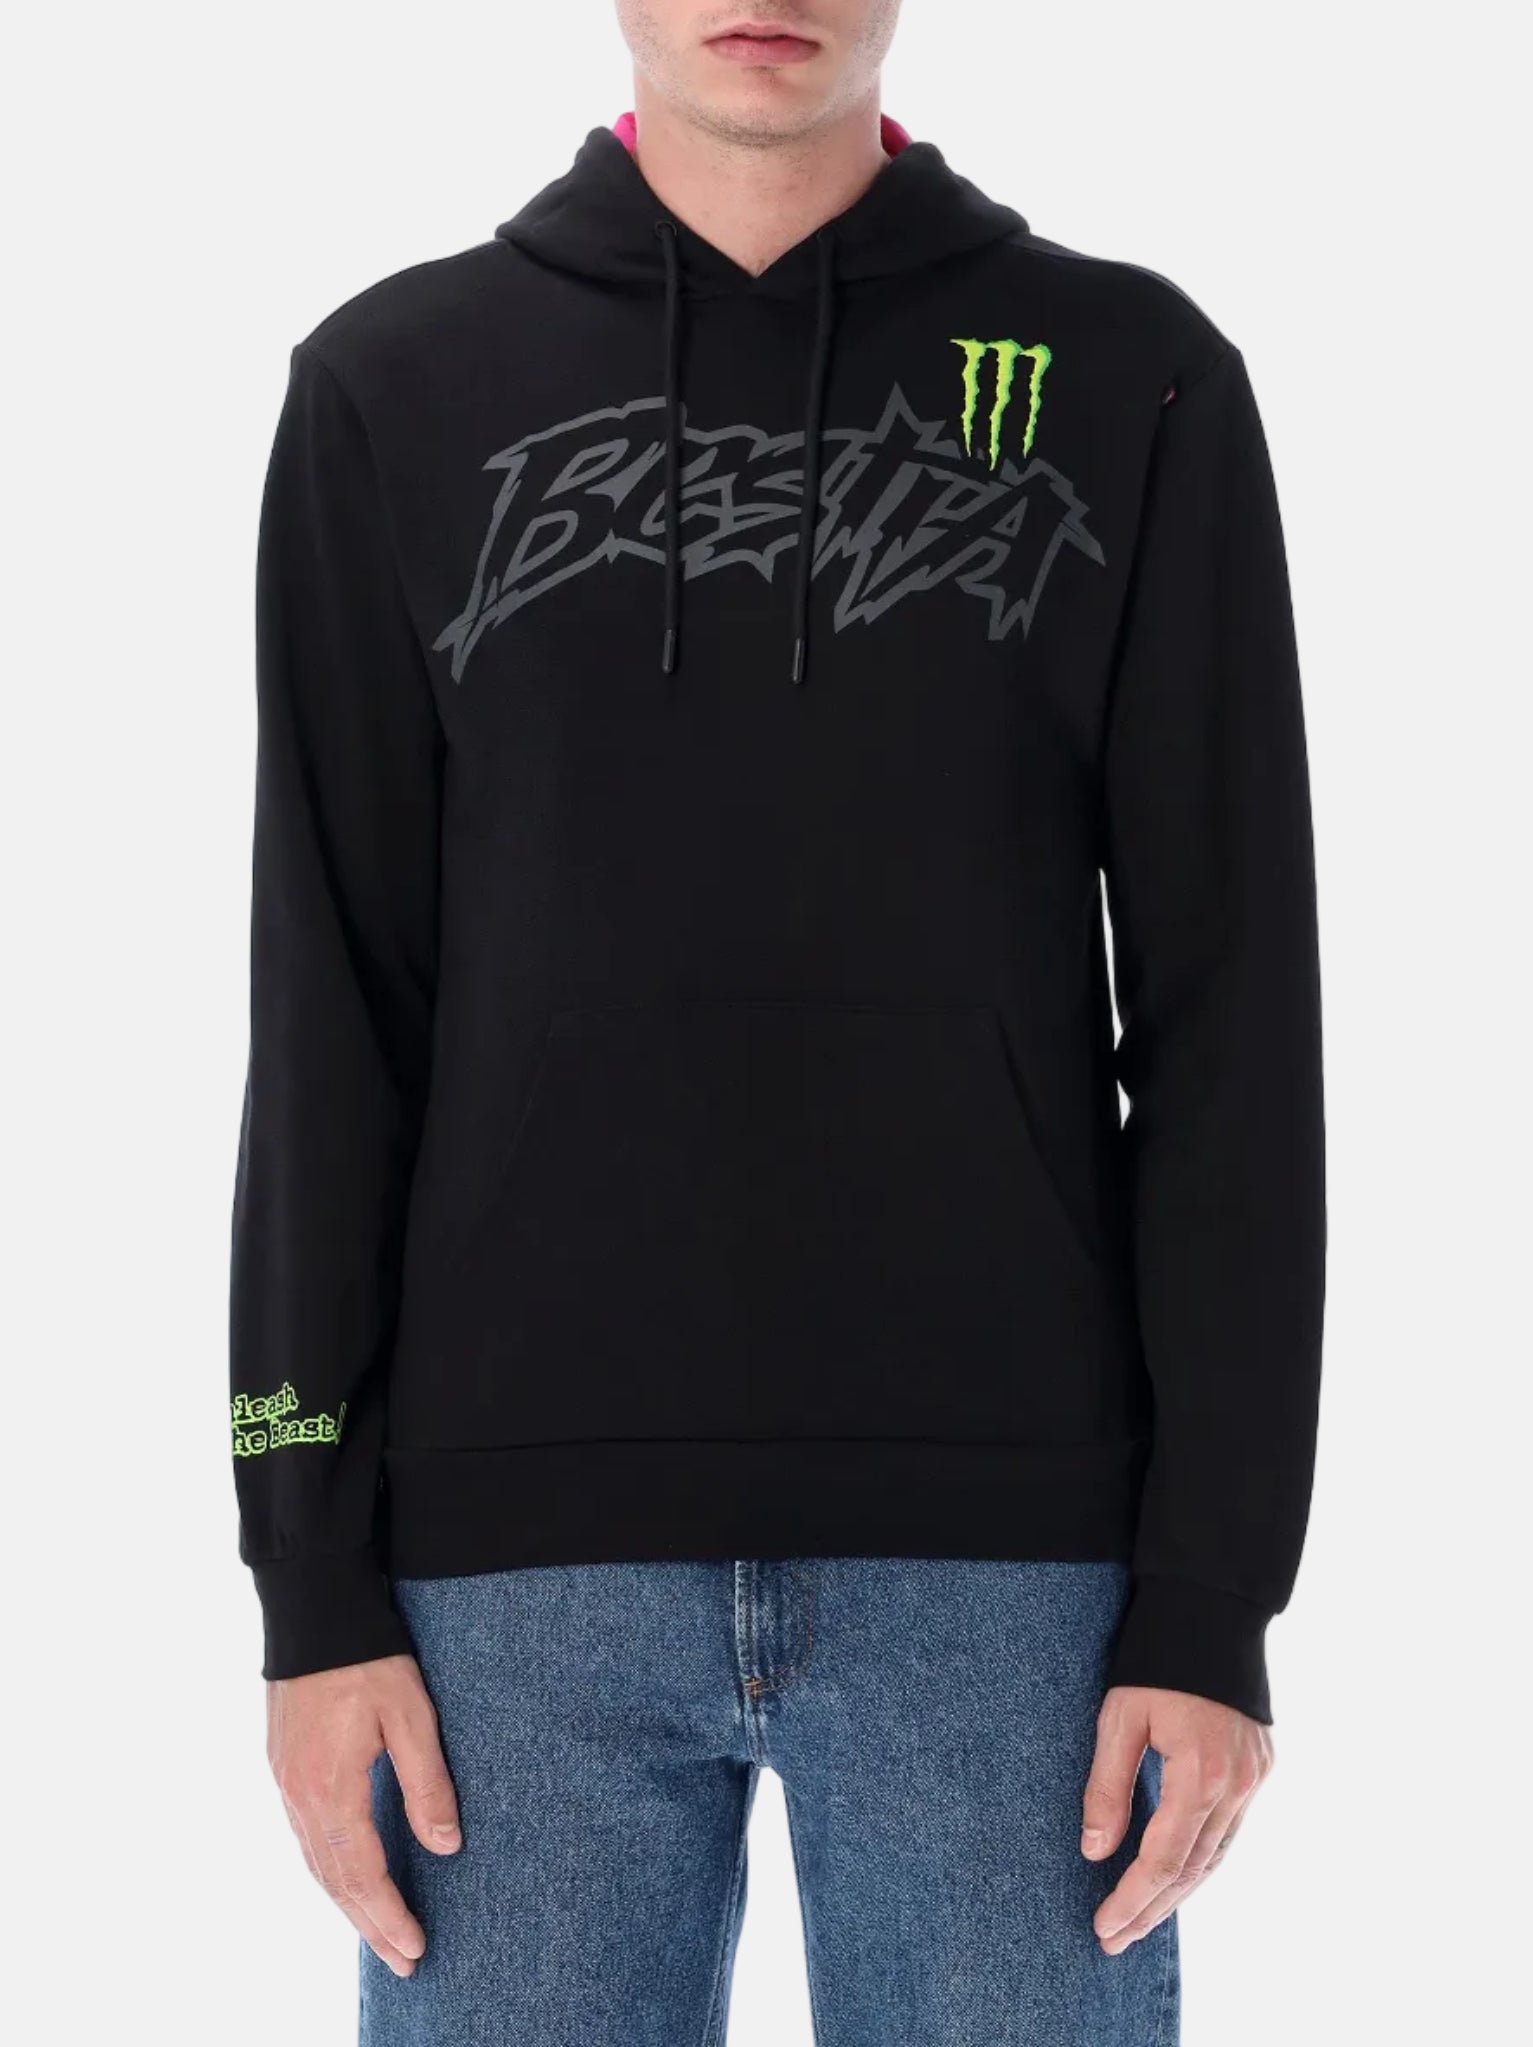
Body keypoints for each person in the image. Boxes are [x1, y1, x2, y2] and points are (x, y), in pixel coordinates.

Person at [232, 4, 1325, 2040]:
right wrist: (307, 1576)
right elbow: (328, 1017)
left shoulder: (1128, 377)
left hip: (1015, 1571)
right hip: (504, 1587)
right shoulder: (393, 385)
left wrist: (1211, 1589)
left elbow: (1230, 1028)